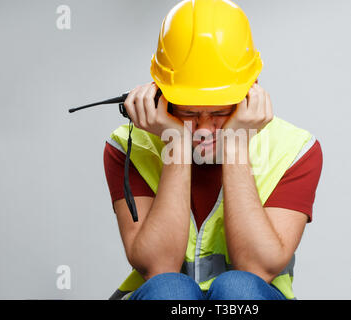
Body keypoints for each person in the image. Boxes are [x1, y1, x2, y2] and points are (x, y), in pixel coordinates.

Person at [103, 0, 323, 300]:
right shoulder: (127, 147)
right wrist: (176, 142)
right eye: (189, 112)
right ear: (160, 95)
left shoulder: (295, 149)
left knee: (239, 290)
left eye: (219, 112)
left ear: (250, 92)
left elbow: (257, 268)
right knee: (170, 290)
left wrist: (235, 144)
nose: (204, 128)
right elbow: (159, 267)